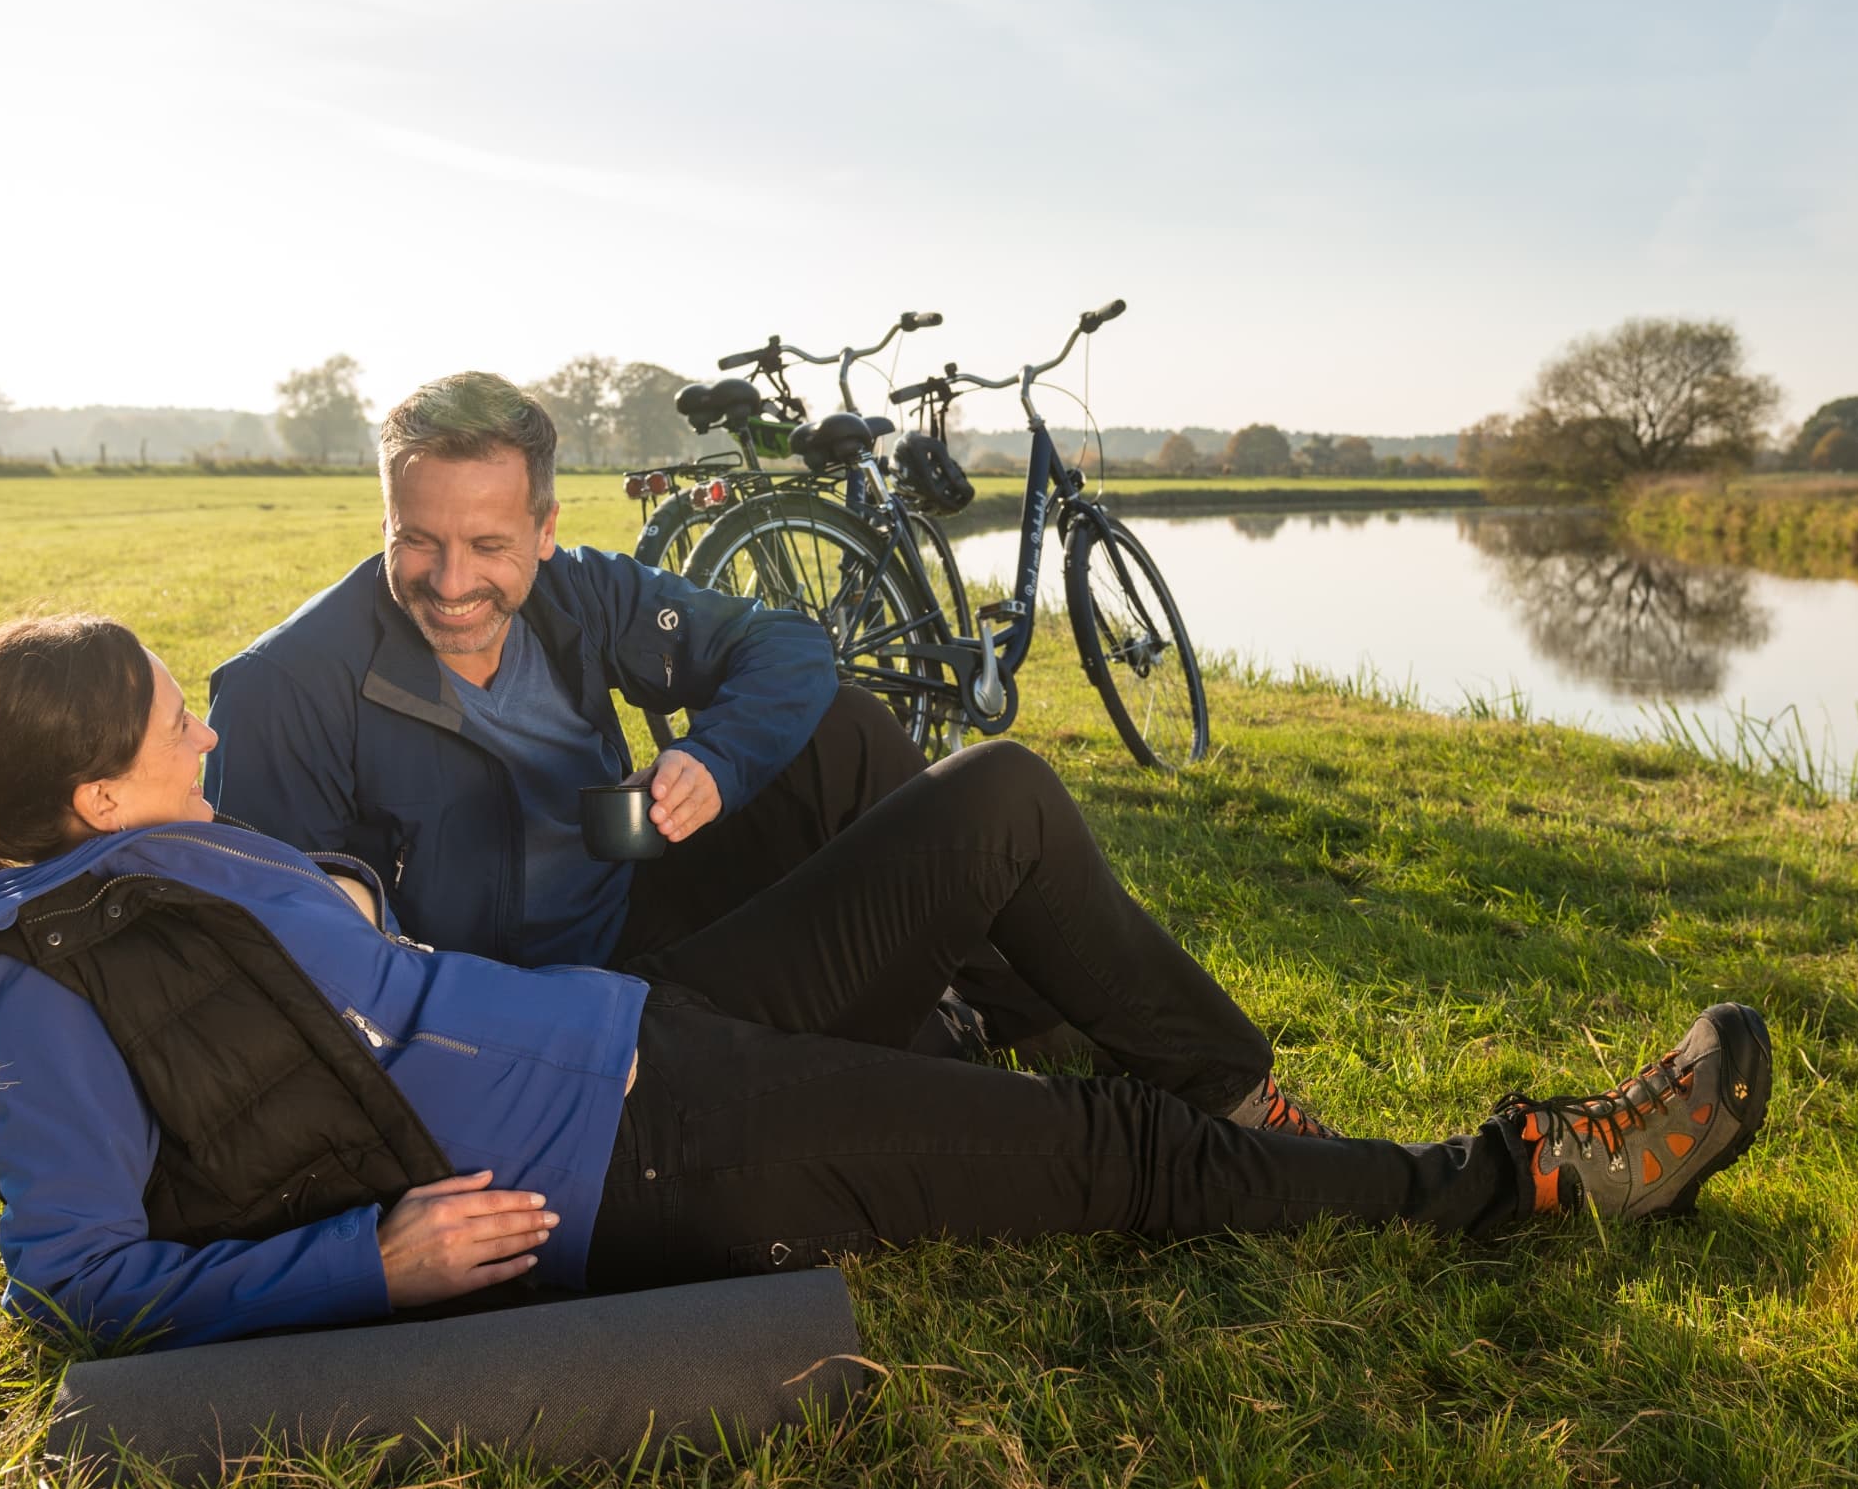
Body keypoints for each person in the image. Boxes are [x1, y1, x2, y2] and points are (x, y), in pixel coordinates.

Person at [0, 615, 1775, 1350]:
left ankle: (1240, 1093)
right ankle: (1524, 1179)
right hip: (646, 1164)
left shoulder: (137, 867)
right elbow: (75, 1276)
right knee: (1100, 1150)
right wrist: (380, 1262)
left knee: (995, 799)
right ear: (94, 793)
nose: (203, 716)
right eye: (168, 714)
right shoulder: (42, 987)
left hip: (646, 1036)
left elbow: (342, 981)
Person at [200, 371, 1336, 1136]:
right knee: (998, 800)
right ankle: (1223, 1097)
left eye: (489, 544)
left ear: (545, 531)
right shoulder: (282, 691)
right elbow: (280, 970)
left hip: (636, 901)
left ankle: (1027, 1019)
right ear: (385, 519)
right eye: (418, 542)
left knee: (842, 733)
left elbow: (787, 648)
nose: (453, 583)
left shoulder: (575, 594)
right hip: (559, 1022)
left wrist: (714, 763)